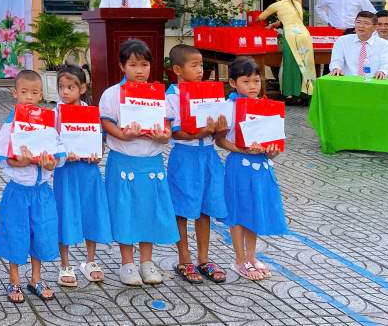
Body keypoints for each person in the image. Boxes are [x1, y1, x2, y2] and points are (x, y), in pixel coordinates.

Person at [98, 38, 177, 286]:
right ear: (122, 66)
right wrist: (122, 134)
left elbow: (167, 125)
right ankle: (127, 264)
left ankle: (146, 261)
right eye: (133, 65)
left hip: (151, 162)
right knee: (125, 210)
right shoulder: (112, 94)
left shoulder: (158, 94)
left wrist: (165, 135)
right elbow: (106, 122)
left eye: (144, 64)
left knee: (149, 211)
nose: (139, 71)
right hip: (124, 161)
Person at [0, 70, 63, 304]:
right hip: (18, 191)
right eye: (24, 92)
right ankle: (14, 280)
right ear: (15, 93)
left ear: (41, 95)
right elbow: (3, 155)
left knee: (40, 233)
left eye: (34, 93)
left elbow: (57, 155)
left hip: (42, 191)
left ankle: (36, 278)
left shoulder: (48, 122)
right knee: (16, 233)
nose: (29, 97)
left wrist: (51, 163)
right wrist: (19, 161)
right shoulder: (10, 123)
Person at [216, 57, 288, 280]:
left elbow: (274, 146)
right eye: (246, 81)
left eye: (257, 81)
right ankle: (239, 260)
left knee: (254, 209)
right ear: (233, 83)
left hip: (262, 167)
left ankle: (251, 255)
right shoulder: (228, 107)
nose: (253, 86)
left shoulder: (266, 106)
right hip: (239, 166)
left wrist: (273, 149)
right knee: (238, 212)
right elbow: (219, 139)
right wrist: (241, 149)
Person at [163, 44, 228, 285]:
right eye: (194, 65)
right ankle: (184, 258)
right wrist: (199, 133)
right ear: (178, 69)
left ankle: (204, 258)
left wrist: (221, 127)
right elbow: (175, 133)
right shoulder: (172, 95)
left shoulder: (210, 92)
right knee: (182, 208)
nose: (200, 70)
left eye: (202, 65)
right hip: (185, 157)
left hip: (209, 156)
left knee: (205, 207)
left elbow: (221, 130)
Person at [52, 64, 112, 288]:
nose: (65, 92)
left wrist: (96, 155)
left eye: (70, 87)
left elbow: (99, 143)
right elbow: (51, 142)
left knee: (91, 213)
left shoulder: (91, 113)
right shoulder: (56, 114)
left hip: (89, 173)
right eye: (61, 87)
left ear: (83, 88)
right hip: (65, 173)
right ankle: (65, 264)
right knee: (65, 213)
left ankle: (90, 260)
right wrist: (64, 154)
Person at [258, 0, 316, 102]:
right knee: (305, 63)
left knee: (290, 64)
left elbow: (260, 17)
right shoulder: (297, 4)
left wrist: (258, 21)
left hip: (291, 35)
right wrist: (274, 25)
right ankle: (307, 93)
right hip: (304, 34)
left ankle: (290, 94)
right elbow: (291, 20)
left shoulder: (277, 5)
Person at [329, 11, 388, 79]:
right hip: (348, 81)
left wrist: (383, 71)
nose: (361, 26)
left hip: (373, 81)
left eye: (366, 23)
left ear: (375, 27)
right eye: (358, 22)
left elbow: (387, 64)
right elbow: (336, 61)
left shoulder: (384, 44)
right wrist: (336, 68)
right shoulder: (342, 41)